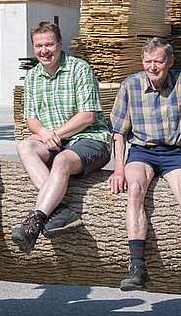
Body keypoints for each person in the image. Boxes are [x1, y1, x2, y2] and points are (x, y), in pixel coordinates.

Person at [108, 37, 181, 308]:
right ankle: (137, 267)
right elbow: (118, 133)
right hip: (141, 151)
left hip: (174, 153)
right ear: (142, 62)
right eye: (148, 62)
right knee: (135, 191)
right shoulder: (130, 85)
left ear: (170, 62)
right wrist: (119, 169)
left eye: (158, 61)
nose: (153, 67)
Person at [14, 21, 111, 251]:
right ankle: (59, 210)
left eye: (49, 44)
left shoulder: (80, 69)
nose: (44, 51)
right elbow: (31, 119)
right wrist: (43, 133)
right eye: (38, 46)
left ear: (59, 44)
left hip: (90, 140)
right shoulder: (32, 77)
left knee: (62, 160)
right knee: (24, 147)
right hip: (55, 140)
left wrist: (55, 134)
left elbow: (87, 116)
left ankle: (35, 220)